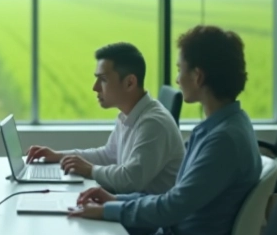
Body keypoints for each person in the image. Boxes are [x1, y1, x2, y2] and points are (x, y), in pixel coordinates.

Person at [68, 26, 260, 235]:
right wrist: (115, 200)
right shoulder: (221, 126)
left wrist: (109, 210)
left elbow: (172, 206)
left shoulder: (223, 140)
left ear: (198, 76)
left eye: (180, 70)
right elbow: (174, 197)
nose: (177, 79)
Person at [25, 43, 184, 195]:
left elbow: (131, 180)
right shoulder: (127, 115)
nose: (95, 87)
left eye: (103, 79)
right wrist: (59, 156)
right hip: (131, 204)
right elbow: (108, 156)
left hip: (146, 212)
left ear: (130, 83)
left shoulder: (153, 123)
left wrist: (90, 170)